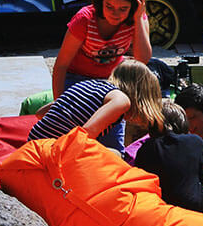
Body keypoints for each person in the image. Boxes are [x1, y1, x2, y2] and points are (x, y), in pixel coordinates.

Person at [50, 0, 152, 101]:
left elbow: (142, 59)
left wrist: (139, 18)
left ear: (134, 7)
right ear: (101, 1)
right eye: (109, 6)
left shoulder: (137, 17)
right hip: (77, 81)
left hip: (111, 81)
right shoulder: (84, 19)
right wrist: (59, 104)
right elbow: (61, 66)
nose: (115, 14)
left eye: (123, 9)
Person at [29, 59, 163, 157]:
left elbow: (40, 113)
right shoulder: (121, 100)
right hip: (49, 154)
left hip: (33, 145)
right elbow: (84, 135)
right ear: (140, 96)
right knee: (115, 155)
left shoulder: (90, 85)